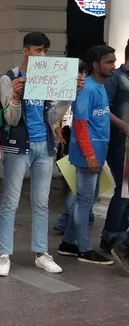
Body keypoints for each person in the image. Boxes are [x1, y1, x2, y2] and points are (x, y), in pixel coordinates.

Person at [0, 32, 85, 276]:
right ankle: (4, 254)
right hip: (18, 146)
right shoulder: (9, 78)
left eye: (44, 50)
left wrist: (68, 94)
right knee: (10, 201)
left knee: (41, 202)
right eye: (37, 50)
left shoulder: (46, 79)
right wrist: (15, 97)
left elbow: (52, 117)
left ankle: (41, 252)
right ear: (25, 51)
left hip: (44, 146)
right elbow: (11, 119)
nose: (41, 55)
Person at [58, 45, 117, 265]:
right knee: (84, 202)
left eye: (113, 61)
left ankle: (68, 243)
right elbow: (81, 124)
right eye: (108, 62)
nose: (113, 65)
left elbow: (101, 116)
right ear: (95, 64)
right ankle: (84, 248)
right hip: (87, 154)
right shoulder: (88, 89)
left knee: (86, 199)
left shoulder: (101, 87)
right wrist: (90, 156)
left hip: (97, 152)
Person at [53, 60, 97, 234]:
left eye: (82, 73)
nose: (80, 76)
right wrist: (57, 129)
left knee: (81, 184)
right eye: (77, 73)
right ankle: (69, 217)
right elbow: (56, 113)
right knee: (74, 182)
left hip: (83, 141)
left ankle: (80, 215)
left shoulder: (88, 90)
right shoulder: (63, 91)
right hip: (71, 140)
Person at [102, 41, 129, 270]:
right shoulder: (116, 79)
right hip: (120, 143)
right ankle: (111, 235)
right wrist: (124, 126)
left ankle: (120, 233)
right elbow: (105, 109)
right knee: (123, 188)